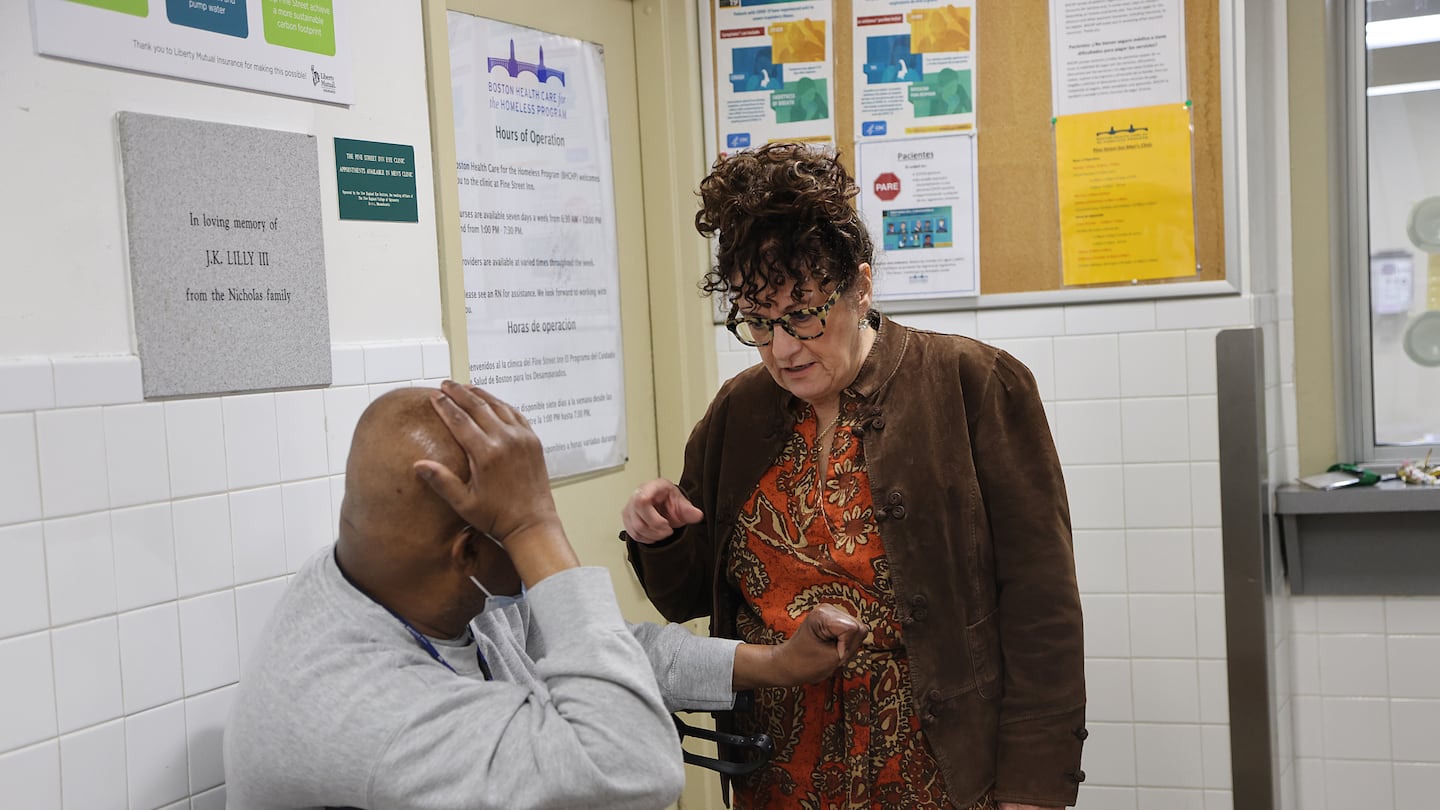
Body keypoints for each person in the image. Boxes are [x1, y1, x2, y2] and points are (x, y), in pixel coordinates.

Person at [622, 143, 1086, 810]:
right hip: (777, 775)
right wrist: (660, 536)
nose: (783, 347)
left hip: (936, 772)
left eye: (804, 313)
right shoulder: (739, 412)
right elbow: (690, 599)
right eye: (758, 320)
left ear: (860, 286)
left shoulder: (971, 385)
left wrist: (1034, 790)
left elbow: (1042, 608)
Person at [225, 382, 868, 810]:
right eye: (527, 513)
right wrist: (534, 531)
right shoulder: (360, 709)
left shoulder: (409, 581)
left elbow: (602, 653)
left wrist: (776, 664)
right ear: (469, 553)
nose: (545, 519)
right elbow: (632, 768)